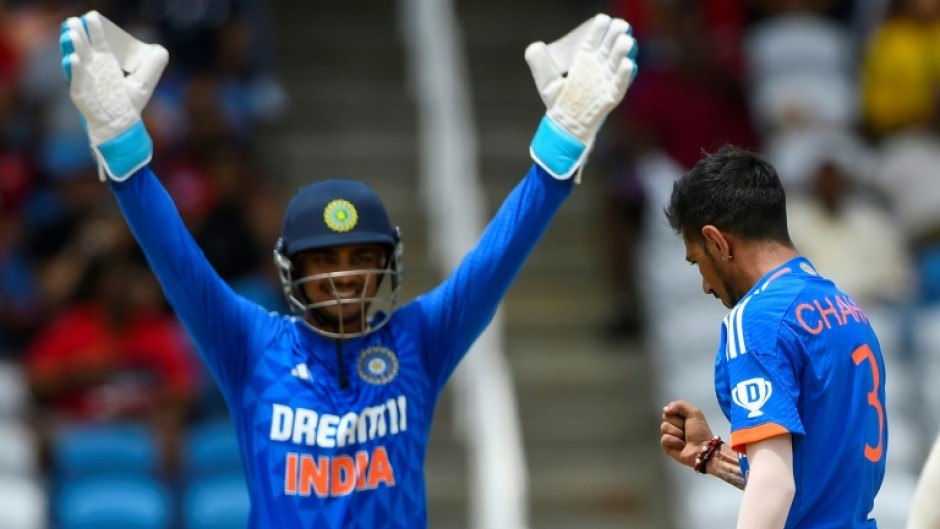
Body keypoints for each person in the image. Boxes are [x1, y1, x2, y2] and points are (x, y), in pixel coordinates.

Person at [58, 10, 637, 528]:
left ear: (387, 265)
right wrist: (122, 150)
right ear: (290, 267)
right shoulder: (249, 343)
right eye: (325, 260)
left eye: (361, 258)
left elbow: (499, 256)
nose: (343, 275)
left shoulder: (422, 338)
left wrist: (562, 143)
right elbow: (175, 258)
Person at [658, 145, 888, 528]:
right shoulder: (846, 309)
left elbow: (776, 486)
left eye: (698, 262)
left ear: (717, 242)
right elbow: (809, 479)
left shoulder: (756, 318)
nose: (704, 285)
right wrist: (713, 456)